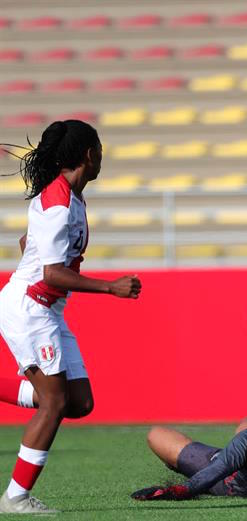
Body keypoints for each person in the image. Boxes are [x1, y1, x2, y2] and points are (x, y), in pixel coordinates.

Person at [0, 121, 142, 514]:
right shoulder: (60, 202)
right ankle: (15, 497)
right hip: (31, 307)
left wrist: (35, 254)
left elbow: (31, 245)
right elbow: (51, 273)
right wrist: (110, 287)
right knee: (54, 403)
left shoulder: (70, 198)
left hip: (45, 309)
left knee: (78, 402)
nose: (102, 156)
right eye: (99, 148)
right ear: (88, 155)